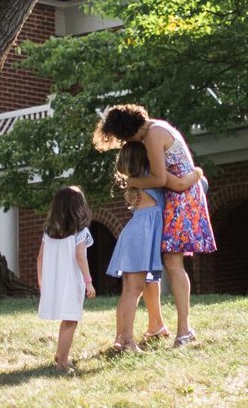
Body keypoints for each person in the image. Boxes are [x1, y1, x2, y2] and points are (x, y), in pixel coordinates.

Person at [93, 103, 216, 347]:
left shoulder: (151, 135)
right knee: (157, 268)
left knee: (172, 262)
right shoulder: (157, 129)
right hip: (175, 195)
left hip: (182, 197)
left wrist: (132, 182)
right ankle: (158, 326)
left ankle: (184, 330)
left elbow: (163, 179)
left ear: (127, 131)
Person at [105, 140, 203, 352]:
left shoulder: (137, 180)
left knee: (129, 290)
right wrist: (197, 173)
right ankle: (128, 341)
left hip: (134, 233)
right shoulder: (153, 178)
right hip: (142, 237)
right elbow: (180, 184)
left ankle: (120, 338)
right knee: (134, 289)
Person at [37, 184, 96, 371]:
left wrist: (41, 282)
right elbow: (80, 256)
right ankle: (62, 362)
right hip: (71, 283)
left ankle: (60, 354)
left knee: (67, 319)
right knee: (71, 320)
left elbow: (40, 258)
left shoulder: (49, 232)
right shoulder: (81, 232)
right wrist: (89, 282)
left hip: (54, 283)